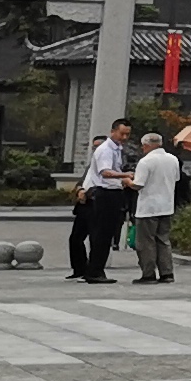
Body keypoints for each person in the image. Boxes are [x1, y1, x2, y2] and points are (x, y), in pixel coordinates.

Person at [73, 118, 136, 283]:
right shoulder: (106, 150)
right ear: (113, 131)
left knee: (107, 234)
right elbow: (105, 172)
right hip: (105, 193)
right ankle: (94, 271)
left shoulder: (117, 149)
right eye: (121, 134)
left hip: (113, 192)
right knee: (101, 234)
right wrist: (125, 175)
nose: (124, 137)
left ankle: (96, 269)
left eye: (127, 134)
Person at [126, 127, 182, 283]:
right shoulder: (173, 159)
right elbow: (176, 179)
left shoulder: (146, 161)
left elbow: (138, 184)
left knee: (146, 242)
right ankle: (167, 273)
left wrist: (127, 181)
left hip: (148, 207)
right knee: (163, 240)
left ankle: (148, 273)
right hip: (166, 205)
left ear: (146, 145)